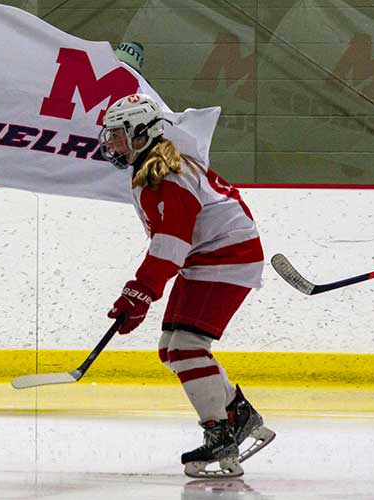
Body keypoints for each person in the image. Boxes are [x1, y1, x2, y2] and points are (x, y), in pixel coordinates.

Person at [98, 93, 275, 478]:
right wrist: (140, 291)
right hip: (211, 257)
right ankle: (238, 415)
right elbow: (172, 243)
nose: (110, 144)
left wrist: (139, 292)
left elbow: (170, 245)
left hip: (228, 258)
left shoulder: (166, 175)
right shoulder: (153, 166)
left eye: (117, 135)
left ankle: (221, 436)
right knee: (172, 349)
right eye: (109, 136)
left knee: (188, 349)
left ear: (142, 133)